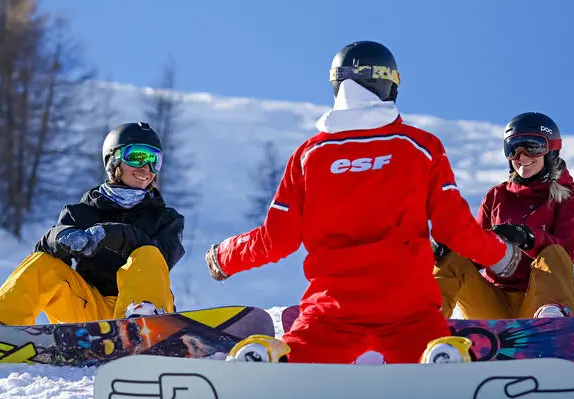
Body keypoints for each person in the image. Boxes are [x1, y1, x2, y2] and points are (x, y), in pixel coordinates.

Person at [205, 40, 522, 364]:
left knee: (301, 350)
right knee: (429, 350)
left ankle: (270, 357)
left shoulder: (310, 155)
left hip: (332, 308)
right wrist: (504, 257)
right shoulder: (421, 147)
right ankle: (443, 356)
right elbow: (454, 228)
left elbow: (277, 239)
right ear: (389, 84)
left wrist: (224, 257)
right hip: (407, 307)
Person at [0, 122, 185, 326]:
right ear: (114, 160)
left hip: (146, 310)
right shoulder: (81, 213)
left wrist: (113, 235)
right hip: (89, 315)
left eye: (155, 161)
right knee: (44, 262)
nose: (146, 168)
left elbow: (163, 256)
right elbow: (45, 260)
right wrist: (62, 238)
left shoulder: (167, 219)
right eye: (138, 157)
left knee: (148, 254)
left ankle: (141, 323)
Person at [433, 112, 574, 320]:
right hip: (493, 305)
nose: (522, 157)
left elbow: (569, 253)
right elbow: (475, 252)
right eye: (513, 149)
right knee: (452, 259)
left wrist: (529, 239)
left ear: (551, 150)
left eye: (532, 147)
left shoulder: (568, 198)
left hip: (536, 303)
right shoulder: (496, 196)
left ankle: (552, 319)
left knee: (555, 252)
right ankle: (428, 319)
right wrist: (451, 247)